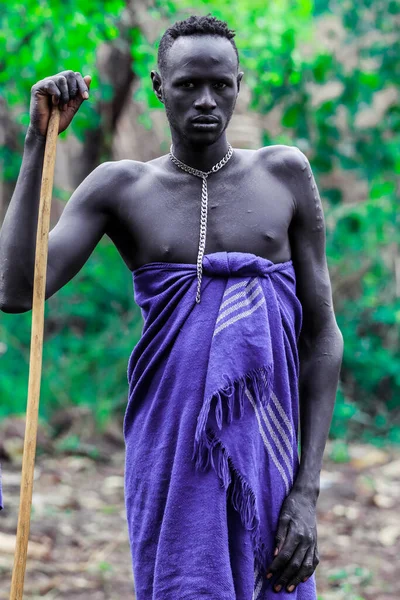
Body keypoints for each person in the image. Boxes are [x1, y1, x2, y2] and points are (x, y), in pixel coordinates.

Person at [0, 13, 343, 600]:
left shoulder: (285, 174)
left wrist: (306, 492)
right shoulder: (120, 187)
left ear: (240, 84)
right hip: (170, 451)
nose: (206, 101)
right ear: (158, 85)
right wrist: (39, 141)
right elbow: (13, 290)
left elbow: (322, 337)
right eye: (187, 85)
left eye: (221, 85)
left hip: (269, 455)